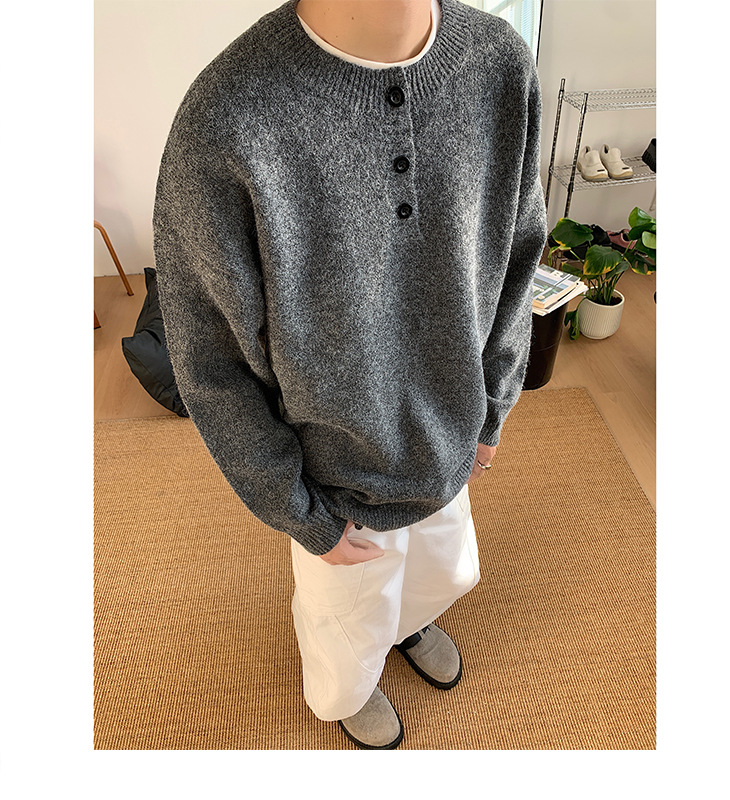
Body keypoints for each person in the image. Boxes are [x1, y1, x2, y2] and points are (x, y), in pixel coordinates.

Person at [152, 0, 547, 750]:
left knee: (441, 572)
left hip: (449, 440)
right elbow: (210, 361)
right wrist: (299, 510)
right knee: (345, 628)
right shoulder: (228, 117)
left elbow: (518, 255)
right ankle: (351, 689)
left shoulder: (499, 64)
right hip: (333, 479)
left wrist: (495, 403)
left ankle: (408, 623)